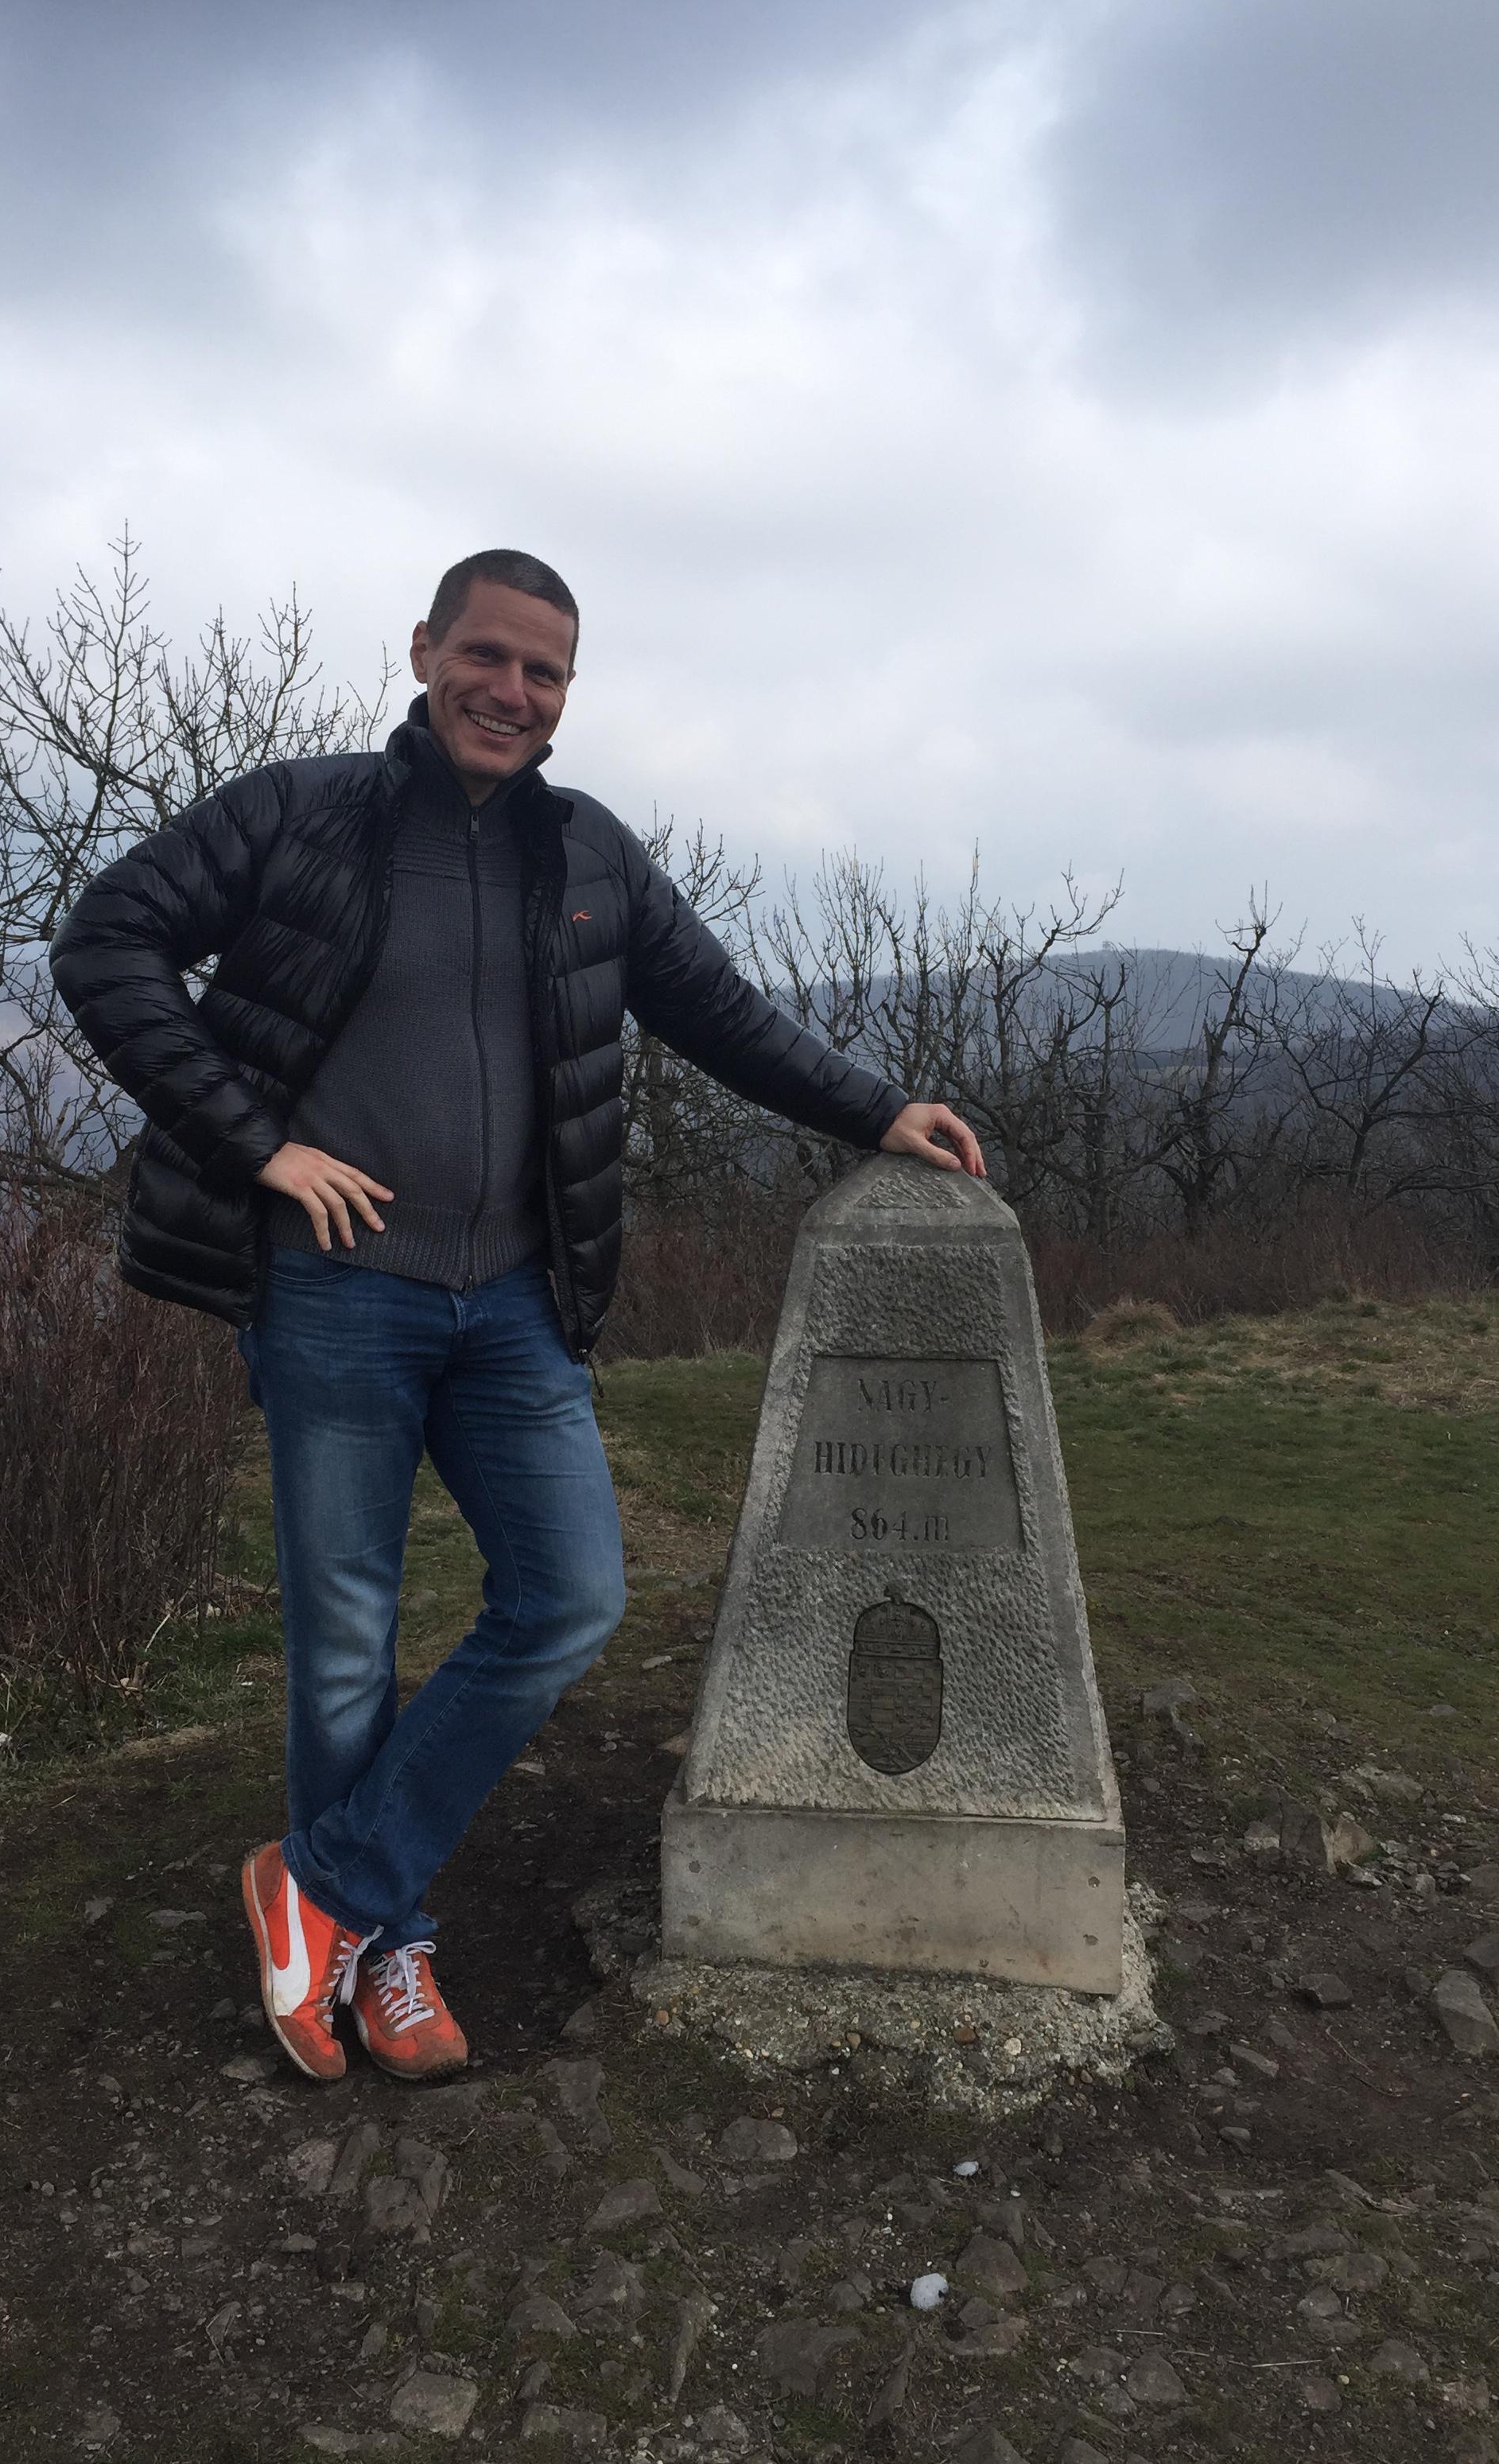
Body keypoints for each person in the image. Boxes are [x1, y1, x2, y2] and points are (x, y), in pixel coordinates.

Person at [50, 548, 983, 2085]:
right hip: (335, 1292)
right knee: (345, 1643)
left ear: (567, 695)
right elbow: (104, 944)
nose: (511, 691)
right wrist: (259, 1145)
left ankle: (327, 1890)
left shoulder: (588, 852)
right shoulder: (301, 813)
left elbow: (722, 1012)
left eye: (544, 672)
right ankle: (384, 1951)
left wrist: (877, 1109)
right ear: (425, 649)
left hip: (515, 1308)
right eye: (486, 656)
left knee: (570, 1597)